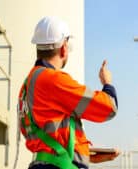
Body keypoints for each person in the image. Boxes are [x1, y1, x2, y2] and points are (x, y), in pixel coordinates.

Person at [17, 16, 119, 169]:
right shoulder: (52, 80)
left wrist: (85, 154)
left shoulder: (27, 85)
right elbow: (109, 108)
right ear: (64, 48)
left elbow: (47, 137)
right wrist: (107, 83)